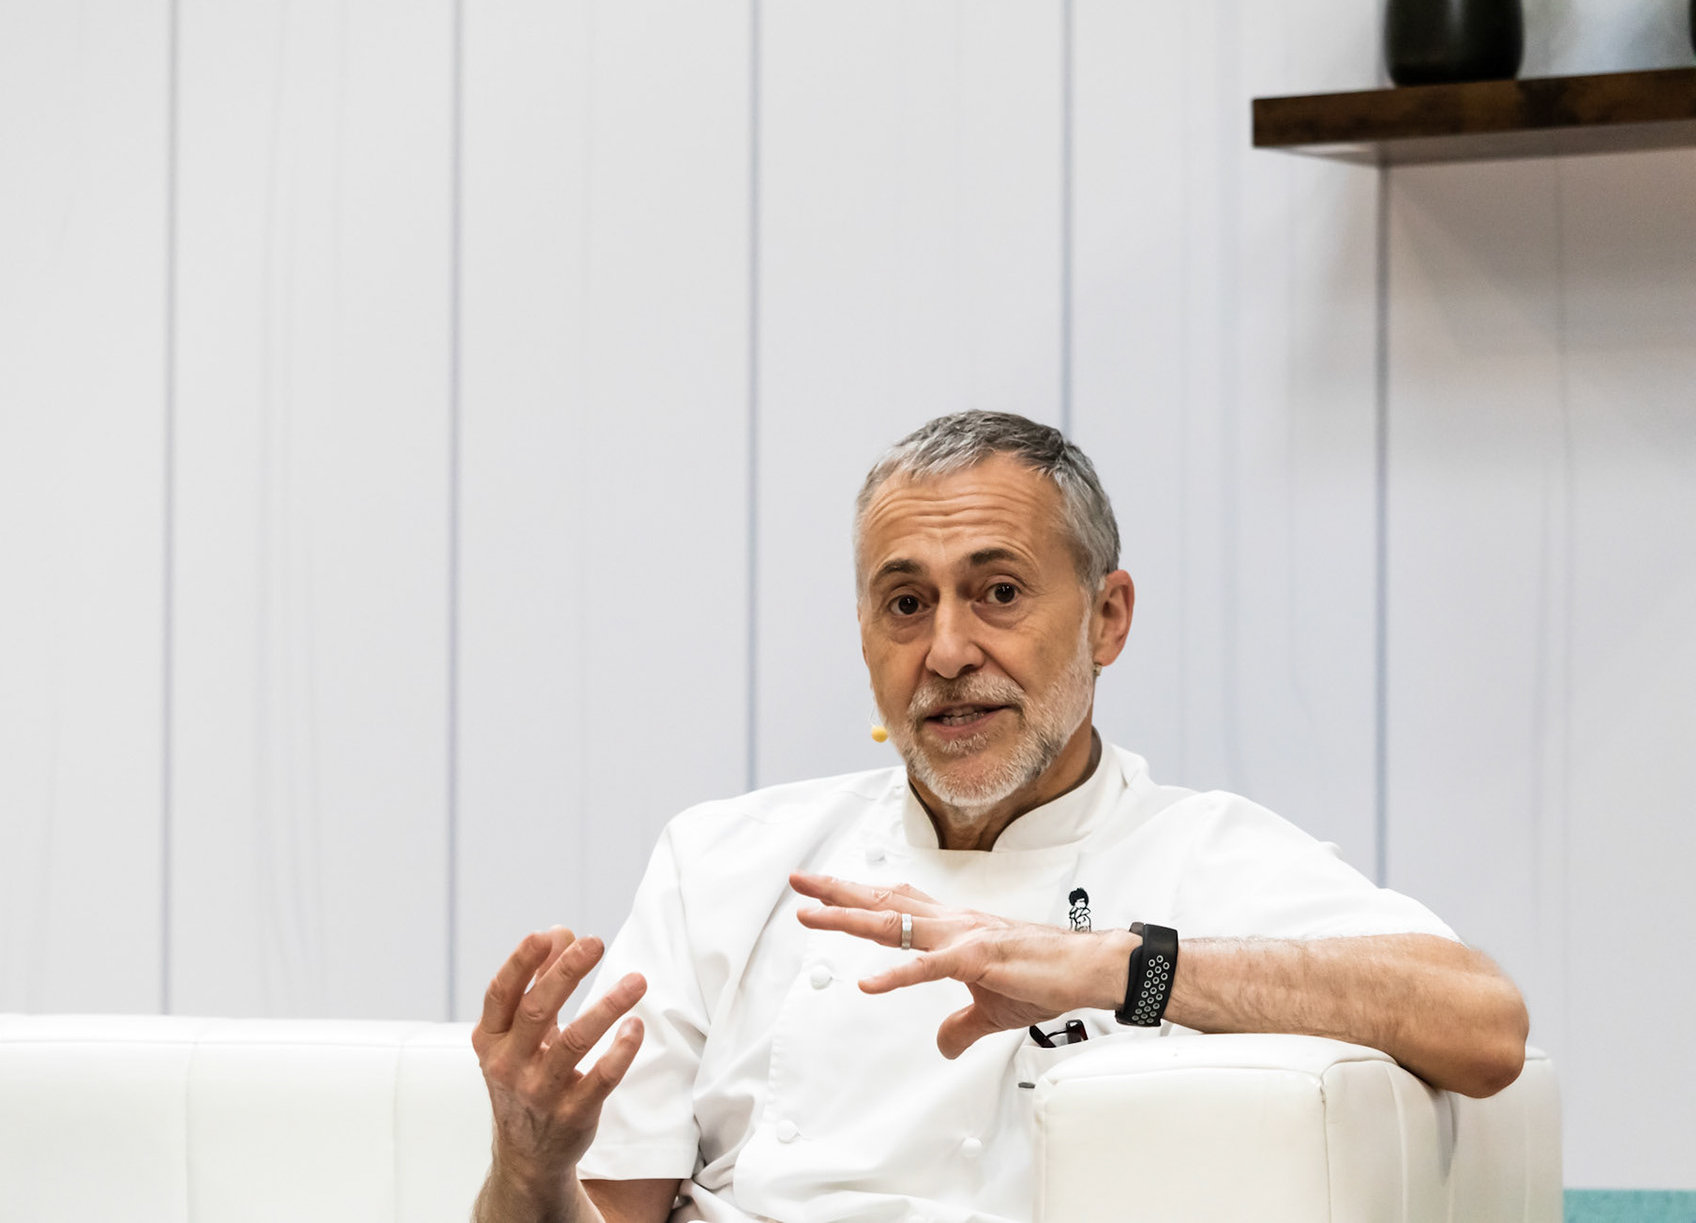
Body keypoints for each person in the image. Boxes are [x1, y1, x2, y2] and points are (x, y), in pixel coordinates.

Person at [470, 411, 1529, 1223]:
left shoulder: (1199, 853)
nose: (946, 652)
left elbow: (1484, 1026)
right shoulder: (723, 862)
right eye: (906, 603)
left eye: (1000, 593)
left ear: (1107, 617)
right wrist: (528, 1167)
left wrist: (1108, 966)